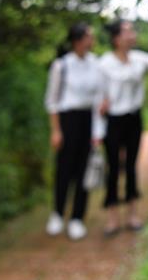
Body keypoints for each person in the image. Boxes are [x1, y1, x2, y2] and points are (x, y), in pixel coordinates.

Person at [98, 20, 148, 234]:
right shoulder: (105, 63)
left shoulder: (138, 58)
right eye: (128, 31)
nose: (132, 34)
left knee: (130, 166)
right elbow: (98, 94)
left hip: (134, 119)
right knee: (112, 168)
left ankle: (132, 215)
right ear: (116, 38)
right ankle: (112, 218)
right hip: (112, 120)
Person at [43, 22, 103, 241]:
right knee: (63, 170)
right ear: (78, 40)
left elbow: (97, 100)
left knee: (83, 171)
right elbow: (52, 101)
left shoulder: (94, 63)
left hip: (87, 120)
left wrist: (98, 132)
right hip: (67, 121)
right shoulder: (61, 66)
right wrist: (56, 130)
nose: (92, 39)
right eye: (89, 36)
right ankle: (57, 213)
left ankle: (77, 217)